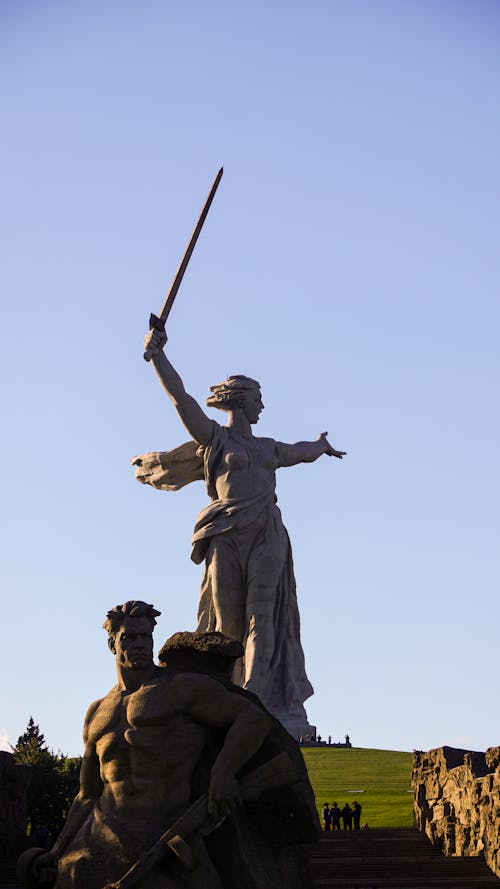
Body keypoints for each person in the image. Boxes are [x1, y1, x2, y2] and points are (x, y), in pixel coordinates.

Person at [138, 326, 346, 726]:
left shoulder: (268, 448)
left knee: (262, 618)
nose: (263, 407)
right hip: (225, 534)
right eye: (258, 400)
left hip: (266, 532)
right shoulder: (214, 439)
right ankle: (229, 700)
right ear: (241, 401)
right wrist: (159, 357)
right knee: (228, 622)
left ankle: (256, 701)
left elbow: (299, 453)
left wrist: (320, 445)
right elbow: (181, 400)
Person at [18, 600, 283, 889]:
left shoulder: (180, 689)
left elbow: (252, 719)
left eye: (146, 636)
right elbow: (88, 794)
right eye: (129, 637)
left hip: (162, 838)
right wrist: (57, 850)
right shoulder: (97, 713)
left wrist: (224, 772)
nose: (140, 644)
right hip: (99, 839)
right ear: (112, 644)